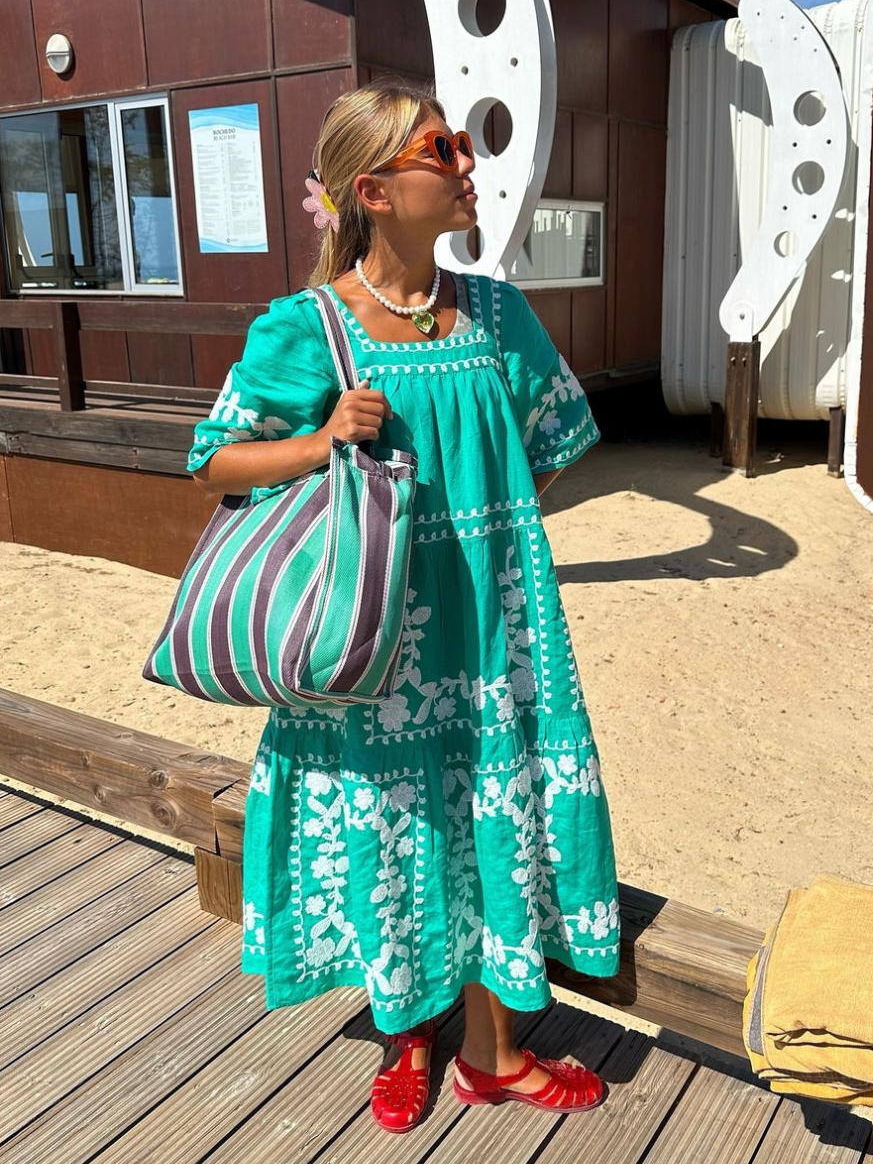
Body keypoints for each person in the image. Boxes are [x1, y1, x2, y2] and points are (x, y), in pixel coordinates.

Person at [188, 79, 620, 1133]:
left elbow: (551, 441)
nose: (469, 164)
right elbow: (213, 465)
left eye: (465, 144)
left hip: (490, 631)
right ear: (372, 190)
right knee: (394, 824)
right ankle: (406, 1030)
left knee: (486, 818)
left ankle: (490, 1051)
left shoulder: (499, 313)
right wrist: (323, 442)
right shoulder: (305, 328)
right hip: (367, 642)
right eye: (446, 148)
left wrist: (485, 530)